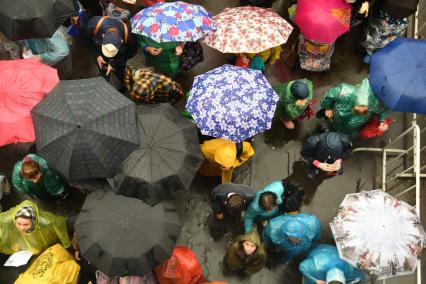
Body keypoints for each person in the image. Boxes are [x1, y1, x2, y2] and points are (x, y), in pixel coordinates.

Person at [319, 78, 389, 139]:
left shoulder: (376, 103)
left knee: (347, 135)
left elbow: (382, 111)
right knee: (331, 125)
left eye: (364, 110)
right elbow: (329, 96)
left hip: (352, 128)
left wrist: (382, 121)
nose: (359, 113)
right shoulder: (345, 91)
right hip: (335, 119)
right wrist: (327, 108)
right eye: (358, 107)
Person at [81, 15, 137, 88]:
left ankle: (123, 85)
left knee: (120, 71)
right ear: (103, 36)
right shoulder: (92, 24)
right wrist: (97, 55)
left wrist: (114, 63)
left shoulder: (129, 36)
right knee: (103, 68)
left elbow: (132, 51)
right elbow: (86, 39)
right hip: (99, 52)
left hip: (119, 57)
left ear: (121, 41)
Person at [0, 200, 71, 255]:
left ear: (33, 221)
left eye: (26, 224)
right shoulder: (11, 218)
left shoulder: (47, 221)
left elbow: (59, 227)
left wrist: (67, 247)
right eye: (18, 223)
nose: (21, 228)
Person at [299, 244, 365, 284]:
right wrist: (316, 280)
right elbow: (302, 267)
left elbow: (360, 277)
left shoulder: (349, 269)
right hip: (318, 250)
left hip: (334, 251)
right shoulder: (318, 267)